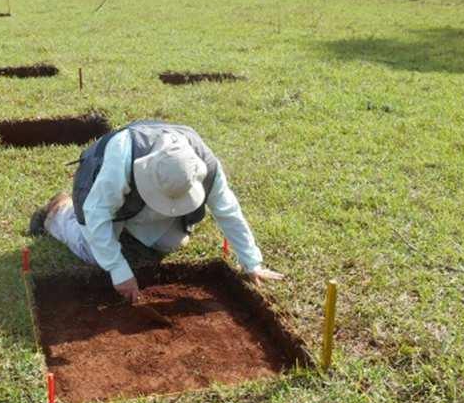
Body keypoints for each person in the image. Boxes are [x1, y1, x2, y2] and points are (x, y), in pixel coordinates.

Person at [29, 120, 283, 303]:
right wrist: (119, 271)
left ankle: (125, 229)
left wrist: (251, 262)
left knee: (172, 242)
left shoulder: (205, 165)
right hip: (98, 192)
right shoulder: (120, 161)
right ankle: (59, 212)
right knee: (95, 255)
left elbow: (228, 212)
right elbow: (97, 214)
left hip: (134, 205)